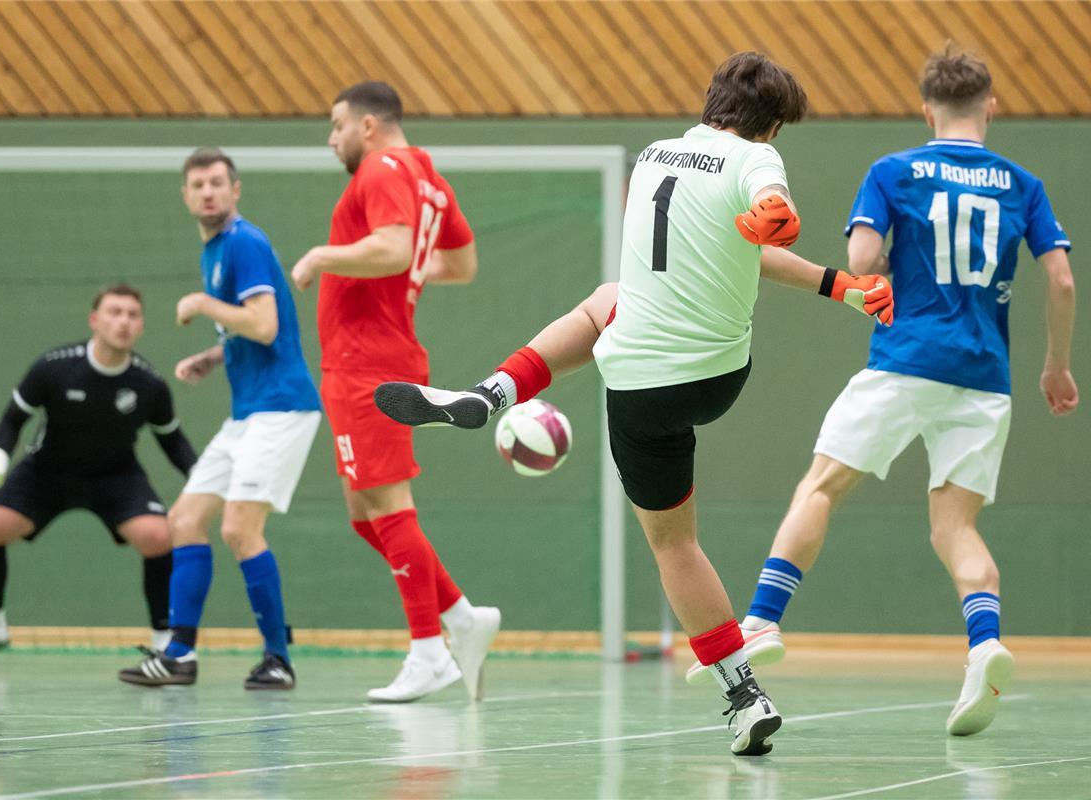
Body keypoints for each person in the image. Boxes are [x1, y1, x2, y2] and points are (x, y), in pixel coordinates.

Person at [375, 53, 894, 755]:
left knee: (672, 537)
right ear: (768, 127)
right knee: (611, 305)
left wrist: (778, 230)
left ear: (711, 101)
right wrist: (829, 271)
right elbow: (772, 214)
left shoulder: (654, 156)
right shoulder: (751, 161)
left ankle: (494, 389)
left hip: (638, 388)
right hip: (715, 377)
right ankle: (748, 707)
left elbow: (745, 232)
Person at [701, 46, 1078, 738]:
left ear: (927, 109)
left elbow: (862, 261)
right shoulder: (1023, 184)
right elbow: (1061, 280)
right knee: (955, 527)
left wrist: (886, 254)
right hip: (985, 375)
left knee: (821, 487)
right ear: (989, 106)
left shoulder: (894, 171)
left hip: (905, 360)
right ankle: (984, 644)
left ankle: (763, 620)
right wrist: (1056, 365)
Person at [290, 81, 500, 703]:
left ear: (369, 125)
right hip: (368, 357)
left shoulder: (381, 167)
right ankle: (460, 617)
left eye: (336, 126)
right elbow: (460, 265)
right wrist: (404, 263)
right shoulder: (427, 175)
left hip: (366, 362)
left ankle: (429, 651)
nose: (333, 140)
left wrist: (319, 256)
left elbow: (393, 248)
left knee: (387, 505)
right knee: (366, 515)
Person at [120, 148, 321, 690]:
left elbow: (263, 323)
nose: (207, 192)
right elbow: (253, 330)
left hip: (281, 407)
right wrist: (214, 356)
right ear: (186, 197)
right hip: (248, 411)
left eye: (216, 183)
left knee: (239, 528)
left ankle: (278, 658)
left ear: (236, 190)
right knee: (184, 519)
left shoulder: (244, 243)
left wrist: (200, 305)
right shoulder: (216, 249)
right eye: (197, 185)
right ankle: (179, 654)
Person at [0, 284, 197, 661]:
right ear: (95, 320)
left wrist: (204, 485)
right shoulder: (54, 368)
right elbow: (12, 420)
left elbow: (174, 442)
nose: (124, 322)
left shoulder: (149, 384)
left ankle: (163, 637)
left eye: (133, 315)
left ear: (142, 326)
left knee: (158, 537)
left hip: (116, 476)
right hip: (47, 472)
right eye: (115, 312)